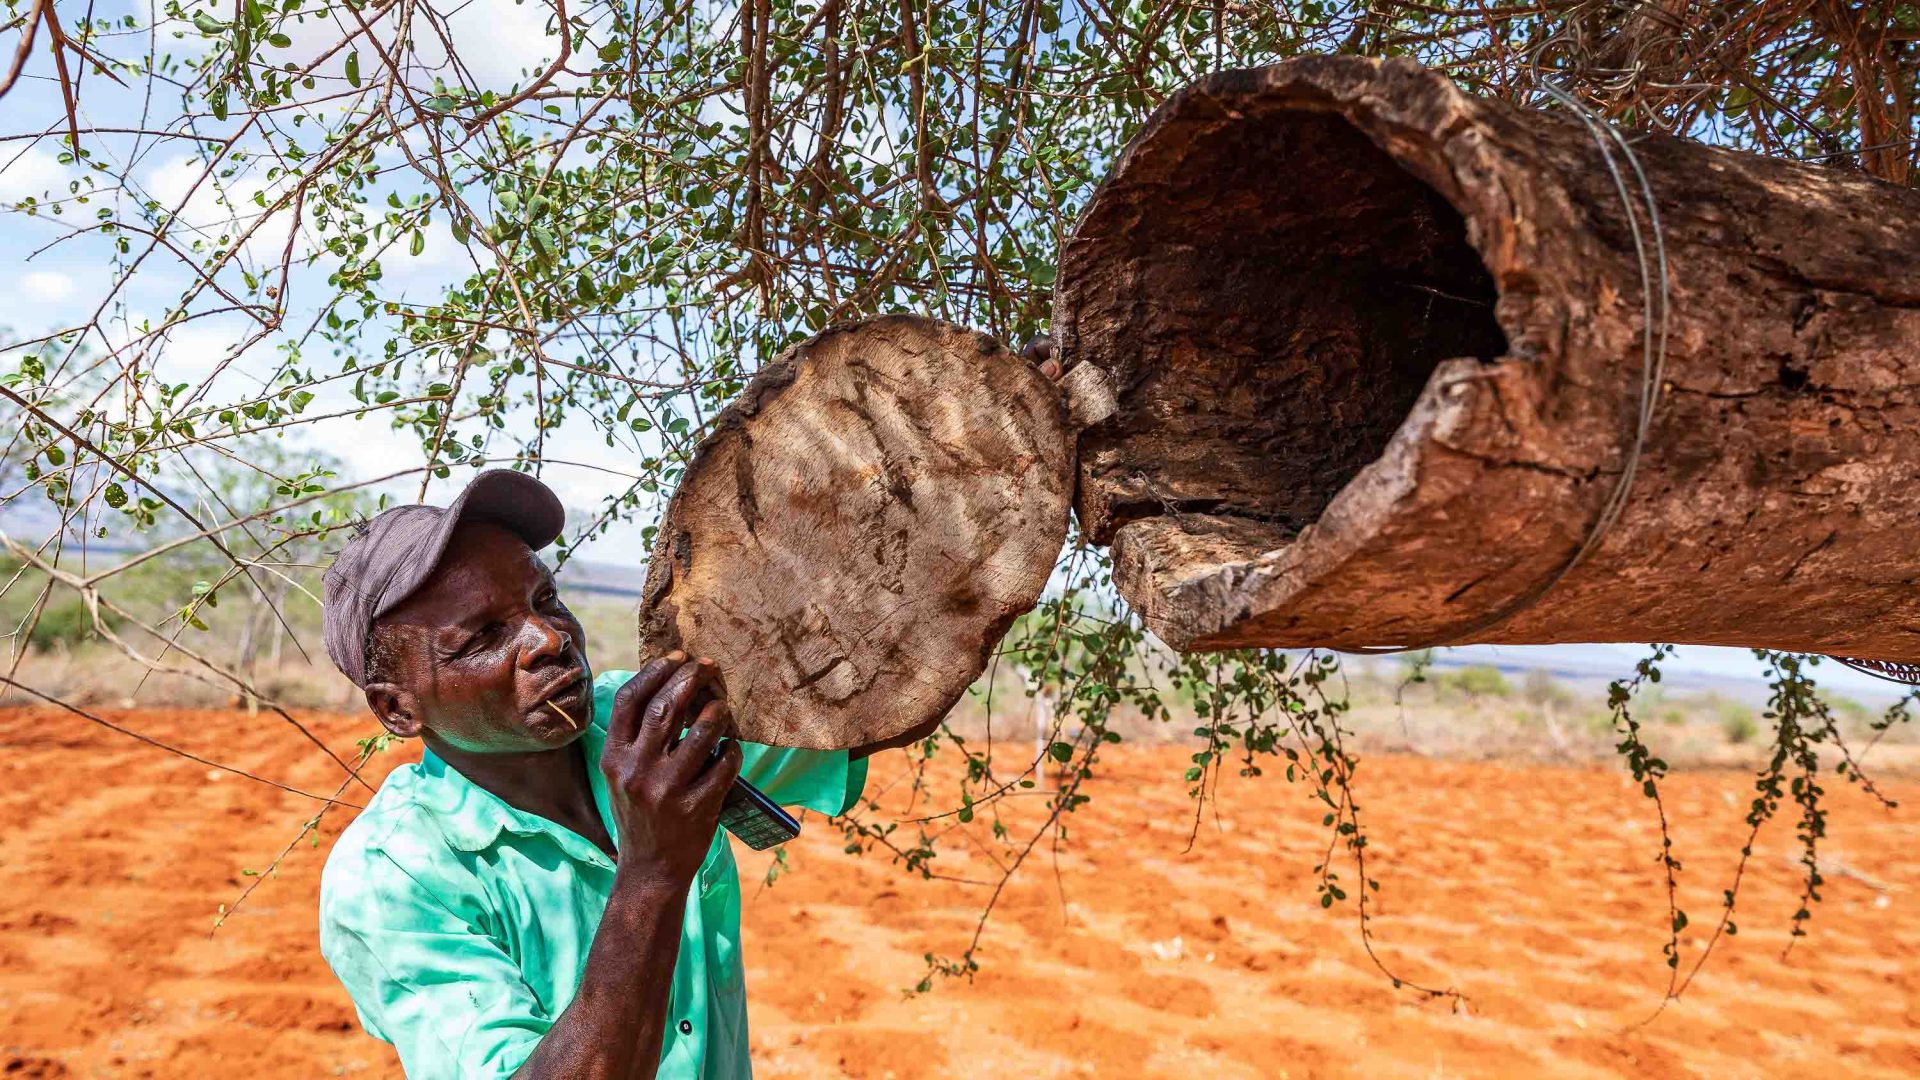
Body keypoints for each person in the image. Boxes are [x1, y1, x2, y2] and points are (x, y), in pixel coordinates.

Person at [317, 339, 1066, 1079]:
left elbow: (861, 700)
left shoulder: (647, 724)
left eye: (545, 600)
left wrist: (978, 451)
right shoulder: (393, 878)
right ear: (397, 709)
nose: (549, 638)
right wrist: (651, 870)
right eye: (483, 636)